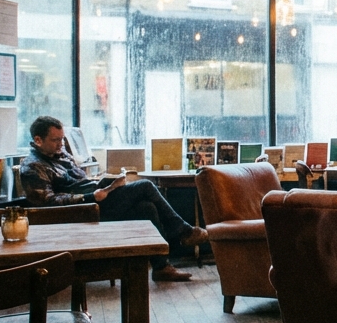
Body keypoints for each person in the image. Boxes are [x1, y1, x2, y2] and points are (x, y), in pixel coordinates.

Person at [18, 116, 207, 282]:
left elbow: (79, 180)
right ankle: (184, 231)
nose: (61, 144)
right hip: (81, 212)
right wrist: (88, 196)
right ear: (38, 140)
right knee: (145, 186)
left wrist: (102, 183)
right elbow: (48, 203)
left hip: (95, 201)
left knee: (146, 207)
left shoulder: (59, 155)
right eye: (55, 140)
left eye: (62, 139)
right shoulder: (33, 167)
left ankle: (161, 268)